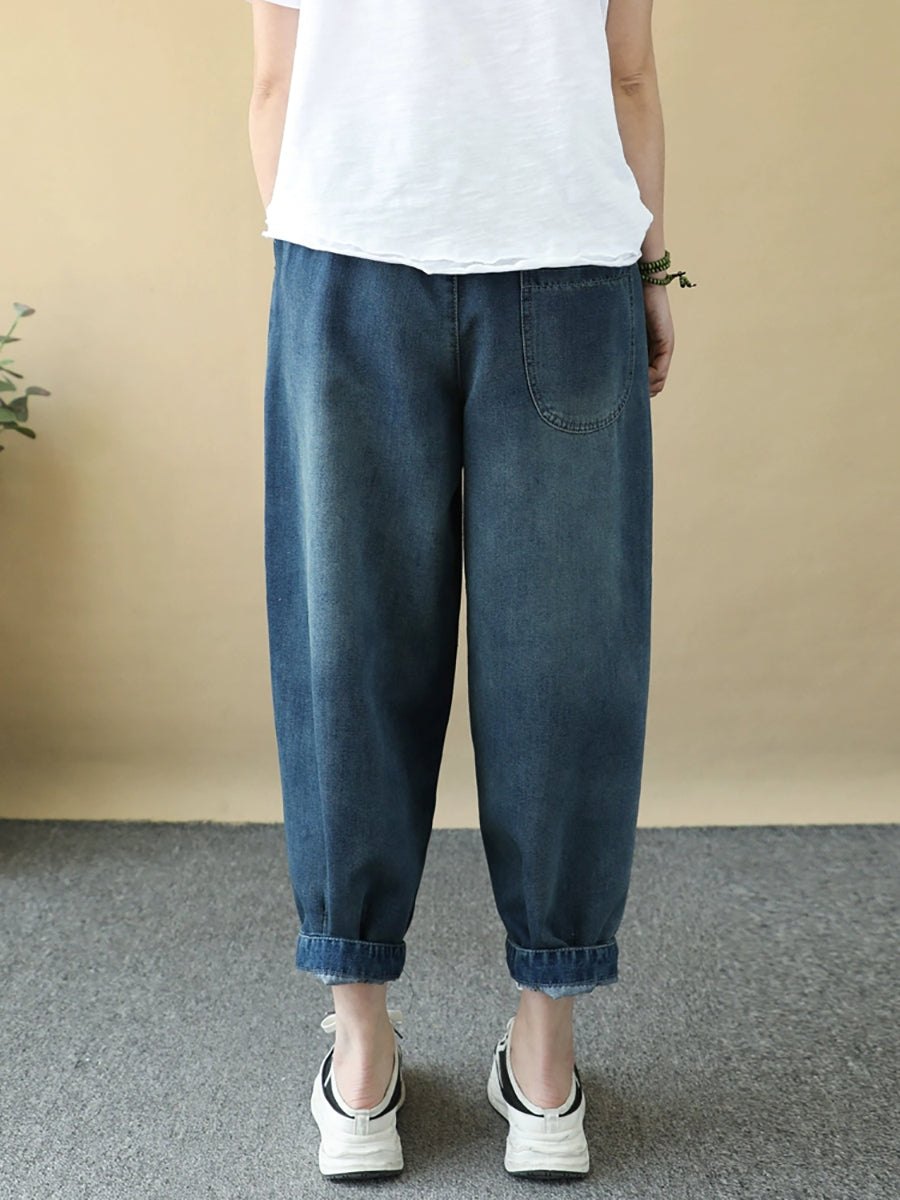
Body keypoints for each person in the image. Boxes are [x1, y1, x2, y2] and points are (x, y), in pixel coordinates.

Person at [247, 0, 690, 1181]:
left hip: (349, 256)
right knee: (563, 658)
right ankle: (545, 1074)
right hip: (566, 262)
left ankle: (360, 1066)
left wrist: (310, 273)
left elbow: (276, 84)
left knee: (347, 649)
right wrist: (654, 271)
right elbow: (629, 78)